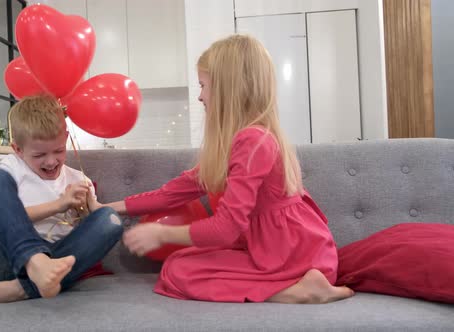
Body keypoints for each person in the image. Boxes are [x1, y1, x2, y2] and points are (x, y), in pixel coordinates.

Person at [91, 35, 354, 304]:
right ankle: (299, 286)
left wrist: (162, 233)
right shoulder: (239, 142)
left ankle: (297, 290)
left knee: (179, 272)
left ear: (228, 89)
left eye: (203, 85)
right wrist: (105, 208)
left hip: (291, 253)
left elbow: (226, 227)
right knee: (178, 265)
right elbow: (172, 193)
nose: (200, 95)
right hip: (276, 248)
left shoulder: (253, 140)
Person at [0, 95, 123, 304]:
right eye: (39, 155)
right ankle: (34, 263)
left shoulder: (78, 179)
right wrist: (59, 204)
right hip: (5, 262)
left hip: (54, 264)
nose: (51, 161)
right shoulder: (11, 169)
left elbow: (93, 226)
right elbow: (4, 220)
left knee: (111, 219)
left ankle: (21, 289)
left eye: (59, 151)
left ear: (66, 138)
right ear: (17, 149)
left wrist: (91, 209)